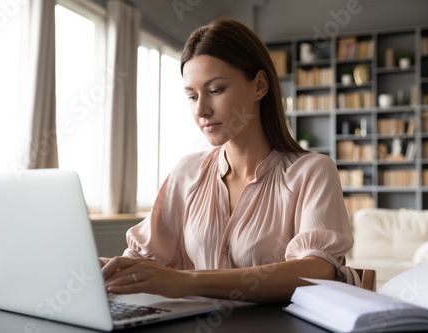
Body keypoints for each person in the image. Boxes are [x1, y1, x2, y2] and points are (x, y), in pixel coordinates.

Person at [101, 18, 359, 303]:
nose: (201, 110)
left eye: (215, 90)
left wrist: (186, 281)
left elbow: (317, 271)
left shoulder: (312, 172)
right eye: (191, 96)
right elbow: (141, 258)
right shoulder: (187, 172)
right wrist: (104, 270)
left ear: (259, 85)